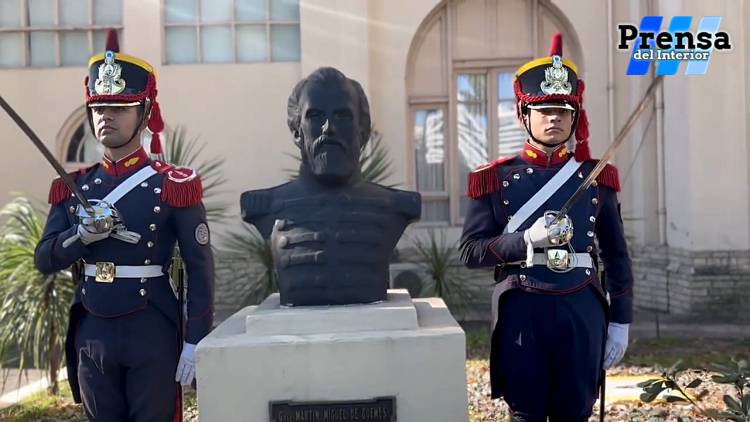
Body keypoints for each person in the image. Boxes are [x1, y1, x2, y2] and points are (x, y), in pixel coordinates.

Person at [34, 30, 214, 422]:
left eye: (119, 107)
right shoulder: (74, 186)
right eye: (99, 108)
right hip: (93, 328)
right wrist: (79, 237)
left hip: (151, 326)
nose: (106, 117)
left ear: (144, 113)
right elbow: (45, 258)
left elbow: (200, 268)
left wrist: (195, 339)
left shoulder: (173, 183)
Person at [459, 33, 633, 422]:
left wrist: (621, 320)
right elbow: (470, 252)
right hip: (523, 307)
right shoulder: (494, 178)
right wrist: (524, 241)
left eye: (563, 110)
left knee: (576, 411)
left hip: (581, 309)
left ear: (574, 117)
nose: (553, 117)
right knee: (526, 412)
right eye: (543, 109)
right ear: (524, 115)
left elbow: (617, 257)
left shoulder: (597, 178)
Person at [241, 67, 420, 306]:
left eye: (343, 116)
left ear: (363, 130)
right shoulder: (263, 207)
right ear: (297, 132)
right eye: (315, 116)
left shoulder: (399, 206)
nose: (328, 128)